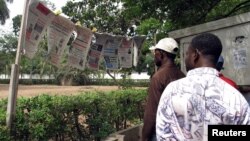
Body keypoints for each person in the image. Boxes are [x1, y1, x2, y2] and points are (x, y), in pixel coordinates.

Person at [156, 33, 250, 141]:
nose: (185, 58)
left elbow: (163, 135)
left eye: (187, 54)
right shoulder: (235, 97)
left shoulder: (171, 91)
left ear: (195, 54)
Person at [141, 38, 185, 141]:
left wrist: (144, 137)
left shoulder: (158, 77)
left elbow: (152, 113)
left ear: (161, 54)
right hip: (180, 132)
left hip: (162, 133)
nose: (154, 56)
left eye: (155, 52)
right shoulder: (182, 75)